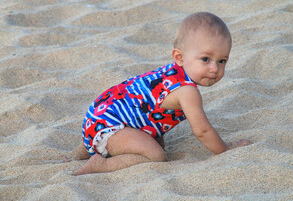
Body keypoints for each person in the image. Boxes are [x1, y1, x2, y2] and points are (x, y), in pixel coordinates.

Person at [71, 12, 252, 175]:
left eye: (222, 61)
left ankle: (86, 148)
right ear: (179, 57)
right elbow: (202, 131)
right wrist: (225, 149)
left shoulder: (173, 72)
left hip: (98, 115)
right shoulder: (187, 91)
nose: (214, 68)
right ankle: (102, 164)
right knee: (156, 155)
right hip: (109, 127)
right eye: (205, 59)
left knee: (157, 142)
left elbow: (150, 109)